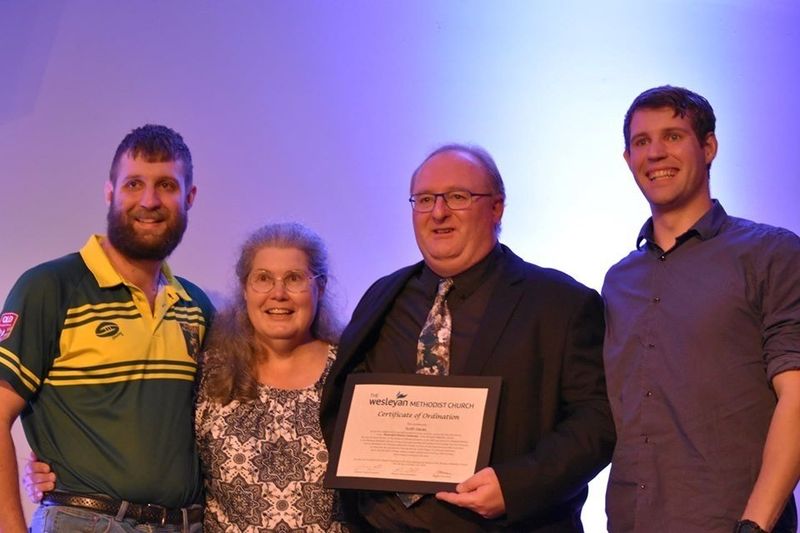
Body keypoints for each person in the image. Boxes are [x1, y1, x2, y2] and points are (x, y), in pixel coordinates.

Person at [320, 143, 615, 531]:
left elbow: (596, 421)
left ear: (496, 207)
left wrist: (515, 486)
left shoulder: (562, 303)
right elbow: (344, 402)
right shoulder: (382, 296)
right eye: (424, 199)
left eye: (457, 197)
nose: (438, 212)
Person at [602, 85, 800, 533]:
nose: (655, 154)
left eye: (673, 136)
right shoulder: (618, 281)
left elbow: (798, 395)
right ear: (628, 158)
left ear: (708, 147)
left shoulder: (772, 255)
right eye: (641, 142)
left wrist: (756, 524)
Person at [0, 124, 213, 532]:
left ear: (189, 197)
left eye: (166, 185)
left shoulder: (197, 307)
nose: (149, 201)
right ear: (110, 191)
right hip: (84, 521)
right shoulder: (50, 287)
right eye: (134, 183)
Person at [195, 222, 347, 531]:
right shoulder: (210, 374)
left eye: (294, 279)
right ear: (245, 289)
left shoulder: (349, 372)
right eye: (263, 279)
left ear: (320, 287)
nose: (278, 294)